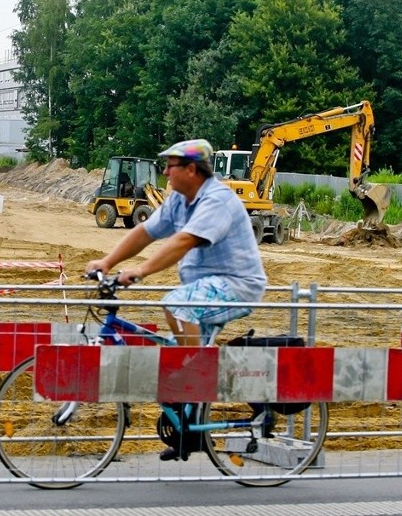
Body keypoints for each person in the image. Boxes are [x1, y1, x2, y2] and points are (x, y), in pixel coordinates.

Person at [85, 139, 267, 460]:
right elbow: (145, 232)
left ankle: (193, 386)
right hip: (206, 291)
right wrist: (108, 262)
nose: (165, 172)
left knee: (175, 305)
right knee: (170, 360)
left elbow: (184, 241)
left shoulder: (217, 200)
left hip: (236, 285)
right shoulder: (178, 201)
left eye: (171, 165)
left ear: (192, 169)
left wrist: (139, 271)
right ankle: (189, 430)